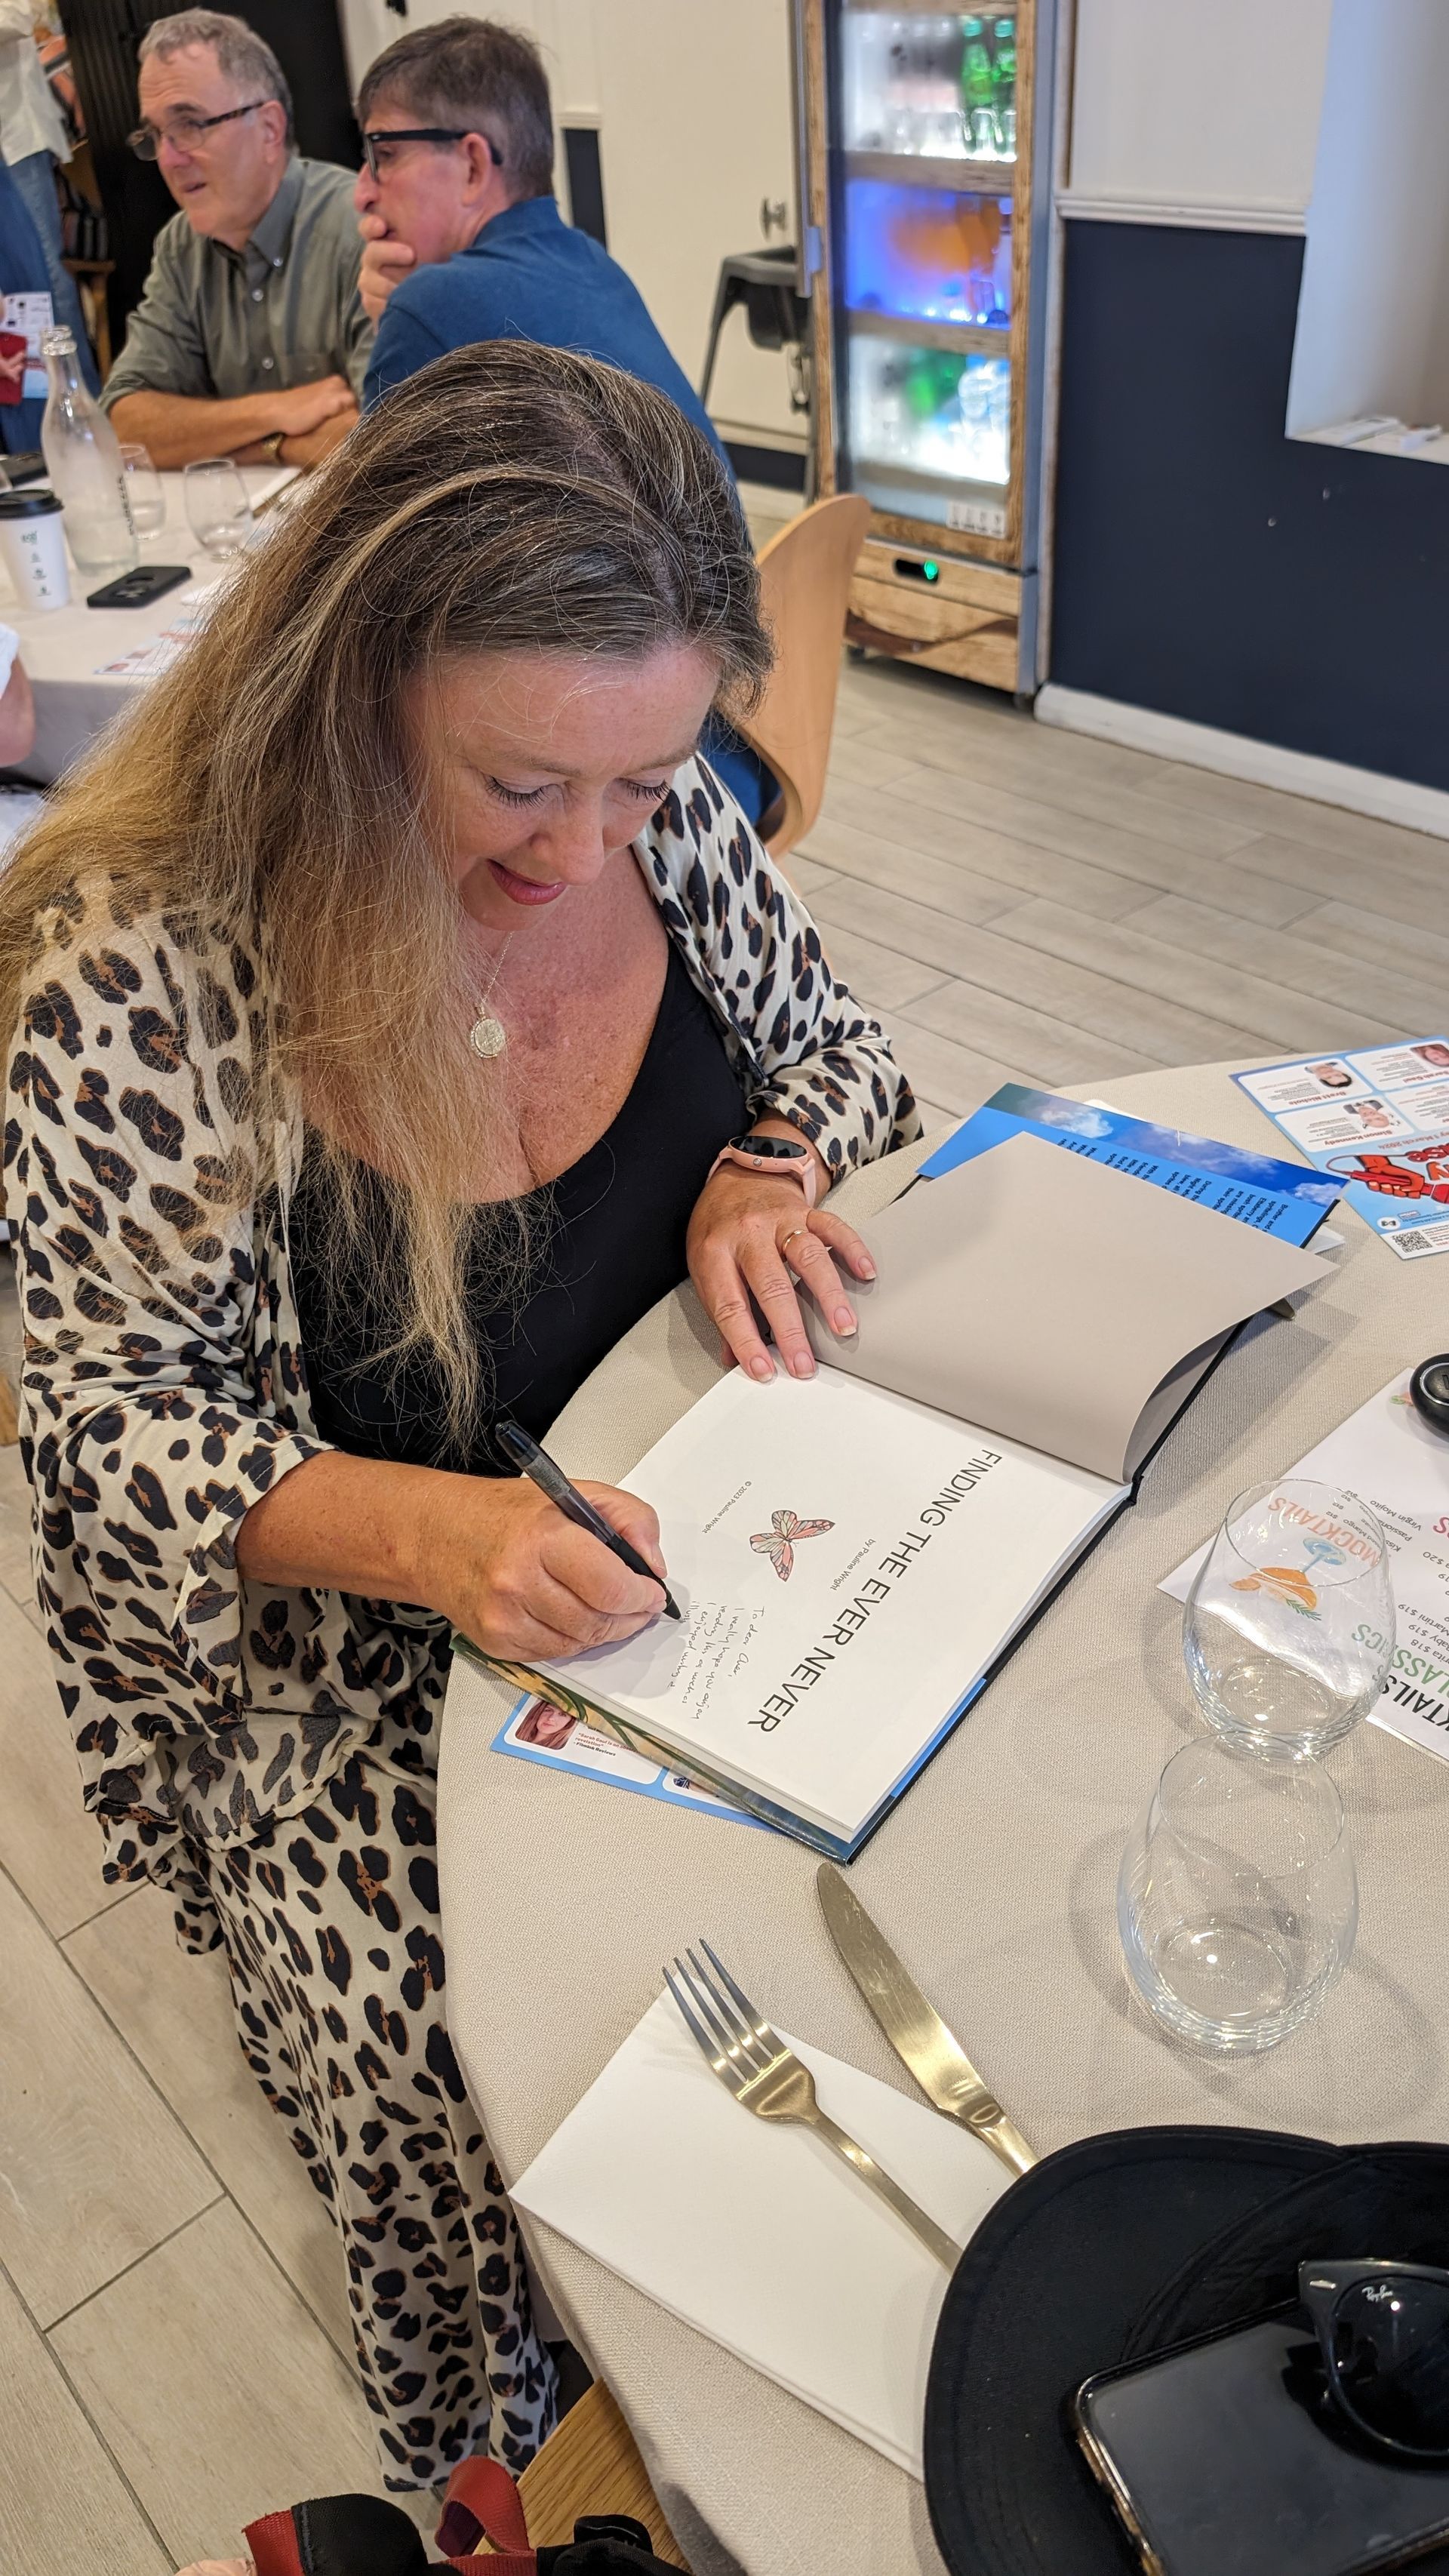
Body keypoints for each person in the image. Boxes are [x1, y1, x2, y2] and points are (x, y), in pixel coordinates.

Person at [1, 340, 915, 2488]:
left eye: (641, 781)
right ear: (359, 671)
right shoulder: (145, 963)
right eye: (523, 784)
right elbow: (109, 1439)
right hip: (354, 1668)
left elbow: (852, 1046)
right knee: (440, 2062)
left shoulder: (655, 802)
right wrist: (445, 1539)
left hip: (688, 1539)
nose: (592, 843)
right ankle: (484, 2451)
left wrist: (760, 1165)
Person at [353, 16, 772, 825]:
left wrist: (395, 316)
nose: (363, 189)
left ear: (472, 161)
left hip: (615, 788)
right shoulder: (590, 261)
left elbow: (366, 595)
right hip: (718, 745)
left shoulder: (434, 306)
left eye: (384, 152)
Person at [100, 10, 369, 470]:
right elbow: (125, 424)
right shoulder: (181, 246)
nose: (168, 158)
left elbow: (381, 439)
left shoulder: (360, 228)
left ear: (269, 129)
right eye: (156, 134)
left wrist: (223, 441)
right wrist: (276, 417)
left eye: (190, 125)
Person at [0, 0, 97, 390]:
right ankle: (35, 425)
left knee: (48, 285)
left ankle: (86, 407)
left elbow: (22, 14)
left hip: (13, 142)